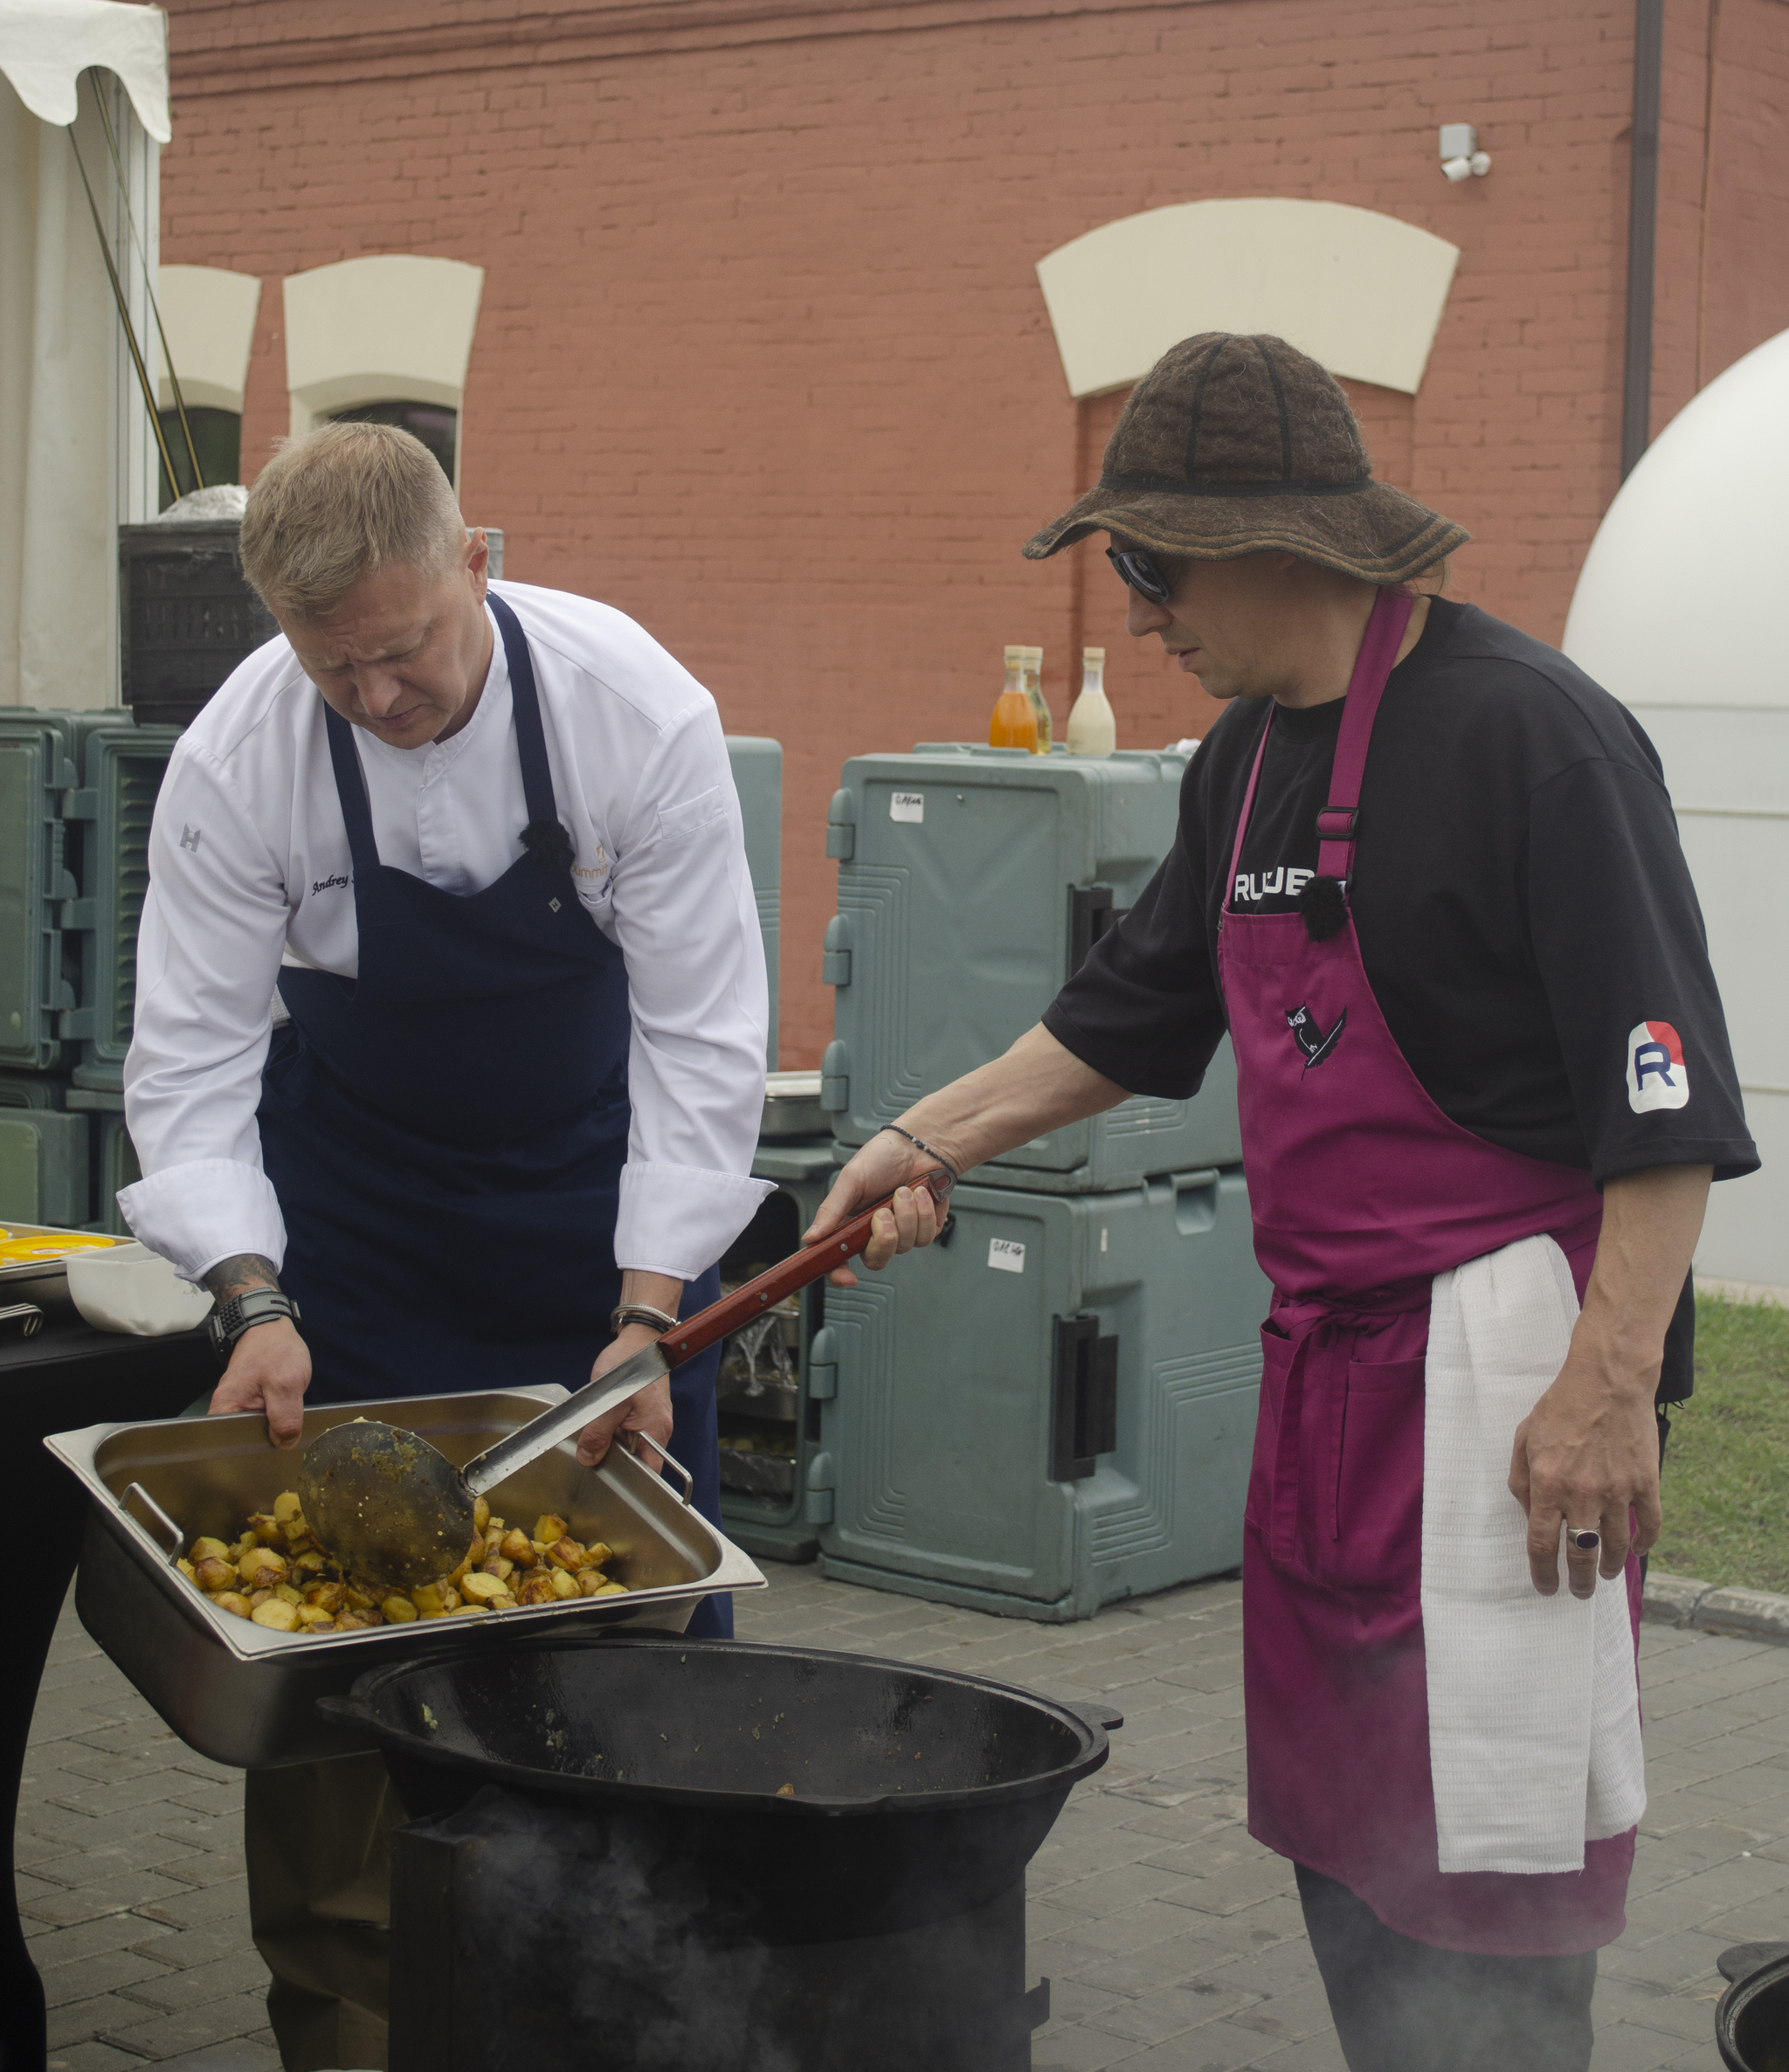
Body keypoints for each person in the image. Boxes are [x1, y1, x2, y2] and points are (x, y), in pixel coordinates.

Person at [809, 333, 1757, 2072]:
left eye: (1150, 565)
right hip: (1326, 1399)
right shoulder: (1237, 763)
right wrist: (922, 1138)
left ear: (1272, 544)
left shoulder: (1534, 740)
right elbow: (1122, 1020)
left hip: (1504, 1405)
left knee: (1483, 1901)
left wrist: (1605, 1389)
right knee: (1345, 1862)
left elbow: (1664, 1103)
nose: (1141, 608)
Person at [122, 422, 769, 2072]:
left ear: (479, 556)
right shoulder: (238, 757)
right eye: (331, 666)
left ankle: (642, 2019)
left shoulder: (637, 713)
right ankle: (356, 2025)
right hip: (361, 1248)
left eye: (402, 652)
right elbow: (189, 1068)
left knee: (627, 1655)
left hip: (594, 1243)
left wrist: (648, 1310)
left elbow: (702, 1041)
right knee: (345, 1667)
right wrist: (250, 1296)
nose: (375, 699)